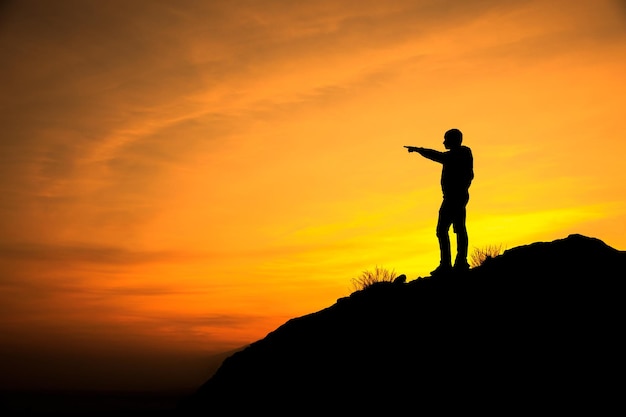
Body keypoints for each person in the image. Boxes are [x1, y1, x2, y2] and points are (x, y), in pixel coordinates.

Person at [406, 128, 474, 276]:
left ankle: (453, 263)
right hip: (454, 197)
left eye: (446, 139)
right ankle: (454, 263)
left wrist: (419, 150)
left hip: (455, 197)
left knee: (447, 229)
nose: (443, 142)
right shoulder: (457, 154)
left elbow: (439, 156)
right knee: (454, 229)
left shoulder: (462, 153)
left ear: (454, 140)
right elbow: (441, 156)